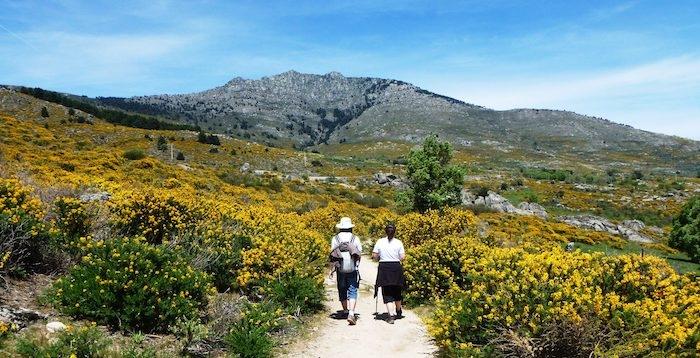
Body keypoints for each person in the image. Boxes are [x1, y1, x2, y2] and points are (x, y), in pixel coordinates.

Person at [329, 217, 362, 325]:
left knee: (342, 288)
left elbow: (332, 253)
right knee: (352, 289)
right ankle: (351, 313)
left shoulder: (335, 238)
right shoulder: (354, 238)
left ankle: (345, 310)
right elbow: (359, 252)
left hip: (340, 268)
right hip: (352, 267)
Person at [372, 223, 406, 324]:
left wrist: (378, 257)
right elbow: (403, 257)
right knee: (397, 290)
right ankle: (398, 310)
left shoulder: (380, 241)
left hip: (384, 267)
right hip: (396, 267)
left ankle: (391, 316)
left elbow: (374, 255)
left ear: (385, 231)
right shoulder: (399, 242)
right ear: (394, 231)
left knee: (387, 292)